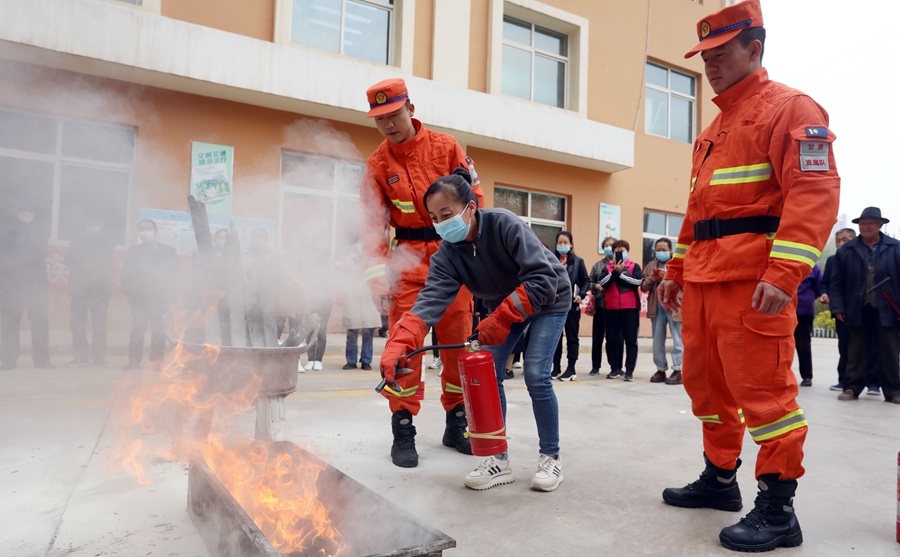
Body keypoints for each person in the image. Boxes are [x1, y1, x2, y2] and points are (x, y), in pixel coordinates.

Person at [656, 1, 840, 551]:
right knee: (707, 388)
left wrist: (785, 273)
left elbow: (815, 195)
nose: (709, 64)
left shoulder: (792, 108)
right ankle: (719, 479)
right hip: (706, 282)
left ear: (754, 48)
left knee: (765, 395)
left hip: (754, 282)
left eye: (719, 52)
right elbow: (696, 213)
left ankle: (779, 507)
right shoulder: (711, 130)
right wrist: (675, 269)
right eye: (704, 55)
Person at [380, 169, 569, 491]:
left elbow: (543, 279)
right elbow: (429, 302)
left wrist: (499, 319)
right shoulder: (447, 257)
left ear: (470, 208)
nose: (441, 223)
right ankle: (498, 458)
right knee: (489, 374)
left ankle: (550, 457)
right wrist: (399, 341)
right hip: (504, 307)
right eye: (435, 217)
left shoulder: (504, 224)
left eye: (447, 214)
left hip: (549, 300)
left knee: (536, 375)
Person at [360, 77, 485, 467]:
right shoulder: (377, 164)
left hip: (454, 257)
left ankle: (456, 420)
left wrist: (479, 256)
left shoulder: (446, 147)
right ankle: (402, 426)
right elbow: (370, 226)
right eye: (380, 119)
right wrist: (377, 278)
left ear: (410, 110)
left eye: (394, 115)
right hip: (408, 263)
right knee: (406, 346)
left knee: (457, 345)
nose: (389, 125)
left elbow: (475, 202)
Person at [828, 207, 900, 405]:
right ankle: (851, 388)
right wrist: (837, 307)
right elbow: (836, 283)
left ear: (880, 225)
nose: (865, 227)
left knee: (890, 351)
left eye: (870, 223)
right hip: (856, 307)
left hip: (888, 307)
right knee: (855, 350)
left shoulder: (896, 248)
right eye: (862, 223)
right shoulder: (847, 250)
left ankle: (894, 391)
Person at [0, 202, 53, 370]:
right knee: (10, 323)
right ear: (14, 211)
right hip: (12, 286)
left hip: (36, 286)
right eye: (24, 212)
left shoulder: (38, 231)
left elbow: (41, 255)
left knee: (40, 323)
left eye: (30, 212)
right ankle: (8, 360)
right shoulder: (6, 231)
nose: (27, 215)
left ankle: (42, 360)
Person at [121, 219, 180, 370]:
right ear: (139, 233)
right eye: (142, 229)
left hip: (161, 300)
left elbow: (175, 276)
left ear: (155, 231)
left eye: (148, 228)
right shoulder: (134, 252)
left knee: (159, 332)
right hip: (139, 299)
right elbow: (125, 276)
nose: (146, 232)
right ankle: (134, 361)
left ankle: (156, 362)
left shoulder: (168, 252)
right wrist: (131, 295)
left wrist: (172, 298)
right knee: (137, 331)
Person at [65, 213, 115, 366]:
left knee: (99, 325)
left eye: (97, 221)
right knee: (77, 324)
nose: (93, 224)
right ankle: (80, 356)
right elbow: (69, 259)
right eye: (90, 221)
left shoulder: (107, 239)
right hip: (80, 289)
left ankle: (99, 357)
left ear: (102, 222)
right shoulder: (78, 239)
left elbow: (105, 259)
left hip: (100, 289)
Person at [597, 239, 642, 381]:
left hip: (630, 308)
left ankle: (629, 370)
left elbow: (637, 282)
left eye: (622, 250)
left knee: (631, 340)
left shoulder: (634, 266)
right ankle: (614, 368)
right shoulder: (607, 268)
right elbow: (603, 283)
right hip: (611, 308)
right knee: (611, 339)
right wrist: (614, 273)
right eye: (617, 250)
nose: (619, 252)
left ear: (627, 251)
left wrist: (620, 274)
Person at [641, 237, 683, 385]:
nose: (661, 252)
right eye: (658, 250)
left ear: (670, 251)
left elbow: (685, 283)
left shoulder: (676, 265)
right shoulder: (651, 265)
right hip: (656, 306)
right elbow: (643, 287)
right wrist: (652, 278)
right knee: (658, 340)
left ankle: (678, 369)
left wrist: (669, 277)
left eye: (664, 250)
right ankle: (661, 369)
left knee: (678, 339)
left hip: (674, 304)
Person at [819, 228, 856, 391]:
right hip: (841, 310)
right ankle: (844, 380)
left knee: (868, 346)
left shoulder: (863, 258)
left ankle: (873, 382)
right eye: (838, 241)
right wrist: (824, 293)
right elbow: (825, 283)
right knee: (844, 346)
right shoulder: (832, 261)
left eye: (845, 240)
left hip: (862, 309)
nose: (841, 243)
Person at [553, 231, 589, 381]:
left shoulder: (578, 261)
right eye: (560, 243)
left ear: (571, 244)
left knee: (572, 337)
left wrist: (581, 294)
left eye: (565, 242)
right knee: (555, 338)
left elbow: (586, 281)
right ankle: (556, 368)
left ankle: (571, 368)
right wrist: (557, 269)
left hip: (572, 305)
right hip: (554, 305)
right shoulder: (551, 260)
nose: (562, 245)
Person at [341, 242, 380, 371]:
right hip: (352, 298)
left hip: (369, 298)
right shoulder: (347, 261)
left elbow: (378, 280)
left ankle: (366, 361)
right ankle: (351, 361)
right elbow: (343, 279)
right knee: (352, 331)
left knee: (368, 331)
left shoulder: (373, 261)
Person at [588, 236, 617, 375]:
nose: (609, 247)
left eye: (612, 245)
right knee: (597, 338)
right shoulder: (598, 265)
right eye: (606, 245)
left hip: (615, 308)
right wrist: (597, 286)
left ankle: (615, 367)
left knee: (613, 339)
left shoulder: (620, 264)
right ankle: (595, 366)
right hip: (600, 305)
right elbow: (588, 282)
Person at [793, 264, 823, 387]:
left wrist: (808, 298)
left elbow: (819, 287)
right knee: (779, 345)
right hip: (781, 309)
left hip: (803, 310)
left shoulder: (813, 266)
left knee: (803, 344)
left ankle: (806, 376)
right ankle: (779, 375)